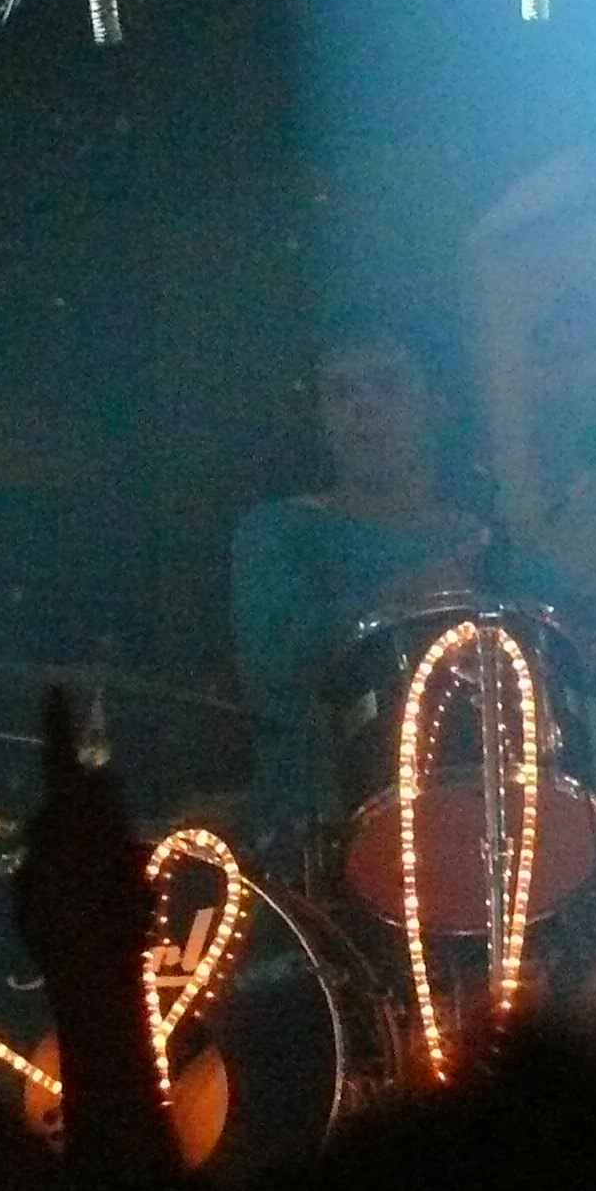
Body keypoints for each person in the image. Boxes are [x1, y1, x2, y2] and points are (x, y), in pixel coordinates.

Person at [226, 327, 505, 847]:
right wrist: (406, 597)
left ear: (436, 405)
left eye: (387, 384)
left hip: (492, 820)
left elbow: (567, 638)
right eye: (342, 392)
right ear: (321, 418)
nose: (364, 406)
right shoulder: (279, 531)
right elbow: (270, 662)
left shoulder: (488, 539)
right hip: (323, 828)